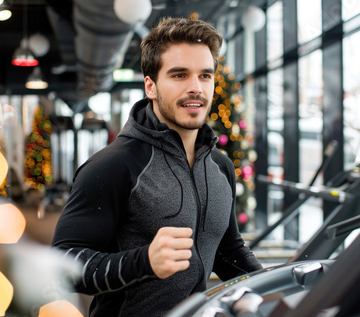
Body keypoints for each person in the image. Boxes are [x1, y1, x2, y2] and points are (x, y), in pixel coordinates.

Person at [51, 17, 262, 317]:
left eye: (205, 75)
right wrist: (144, 262)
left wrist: (275, 290)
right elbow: (63, 263)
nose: (195, 88)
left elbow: (228, 250)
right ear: (150, 86)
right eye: (179, 75)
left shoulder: (220, 166)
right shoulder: (113, 166)